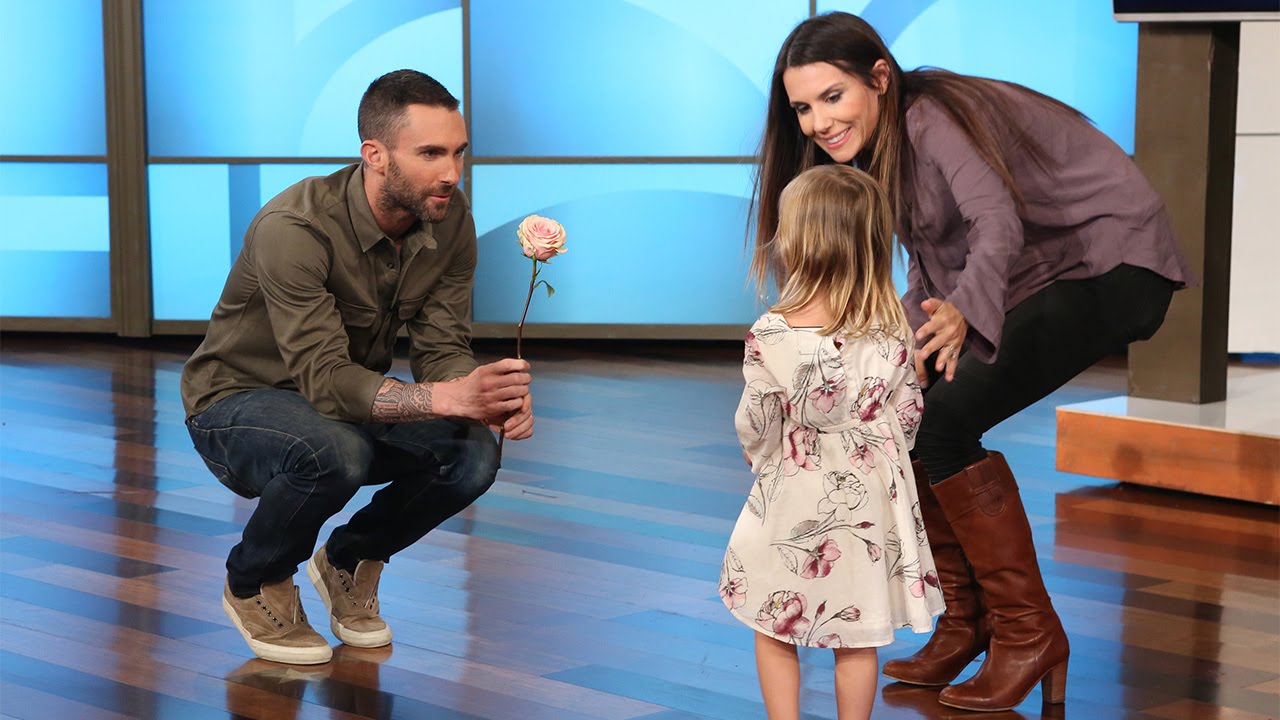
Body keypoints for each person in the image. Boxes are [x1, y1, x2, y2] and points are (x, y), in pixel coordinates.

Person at [753, 12, 1190, 712]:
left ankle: (1029, 632)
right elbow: (931, 261)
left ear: (879, 79)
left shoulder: (930, 118)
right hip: (1043, 270)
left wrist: (961, 310)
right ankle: (968, 621)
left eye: (833, 97)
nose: (818, 122)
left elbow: (995, 220)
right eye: (803, 108)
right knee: (908, 411)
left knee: (945, 421)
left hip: (1110, 263)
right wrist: (895, 344)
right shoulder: (882, 149)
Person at [181, 69, 534, 665]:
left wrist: (483, 396)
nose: (452, 173)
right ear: (375, 155)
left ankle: (350, 557)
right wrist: (447, 398)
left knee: (472, 453)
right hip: (237, 403)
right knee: (335, 451)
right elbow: (324, 379)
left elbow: (442, 346)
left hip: (346, 401)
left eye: (458, 152)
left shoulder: (447, 215)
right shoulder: (294, 228)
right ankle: (255, 581)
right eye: (430, 154)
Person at [721, 164, 945, 720]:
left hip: (795, 492)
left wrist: (760, 455)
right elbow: (909, 413)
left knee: (774, 620)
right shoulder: (891, 328)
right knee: (858, 631)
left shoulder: (772, 333)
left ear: (796, 242)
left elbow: (757, 420)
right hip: (868, 497)